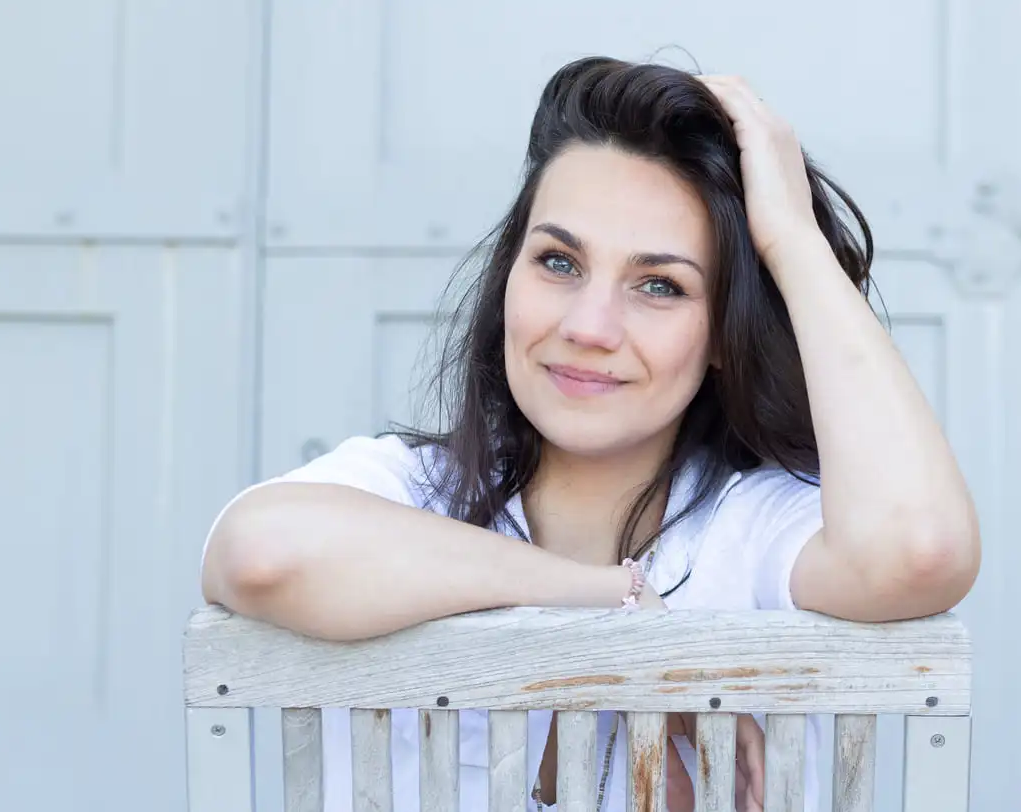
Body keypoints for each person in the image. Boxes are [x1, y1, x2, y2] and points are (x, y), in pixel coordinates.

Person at [200, 57, 981, 812]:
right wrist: (617, 610)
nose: (589, 327)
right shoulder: (411, 492)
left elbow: (919, 551)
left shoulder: (753, 534)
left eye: (659, 285)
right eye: (559, 263)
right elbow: (260, 553)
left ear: (721, 338)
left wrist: (792, 241)